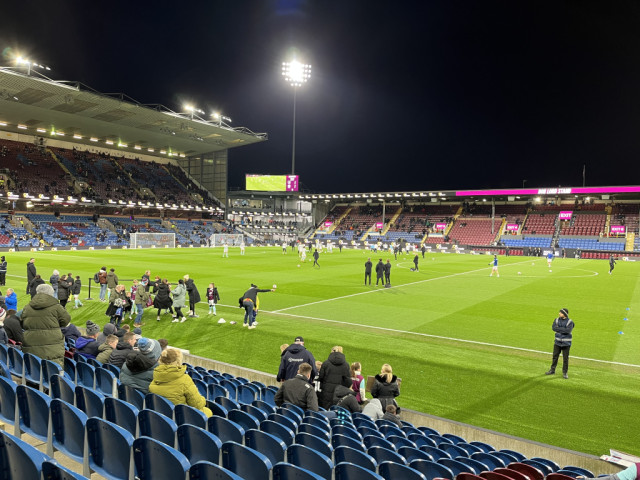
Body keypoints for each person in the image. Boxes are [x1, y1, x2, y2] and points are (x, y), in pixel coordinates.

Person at [149, 348, 212, 417]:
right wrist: (203, 399)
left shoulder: (156, 377)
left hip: (164, 415)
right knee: (209, 412)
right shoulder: (184, 379)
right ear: (178, 362)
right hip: (182, 416)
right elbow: (197, 405)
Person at [21, 284, 70, 367]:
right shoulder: (56, 307)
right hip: (52, 344)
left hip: (31, 343)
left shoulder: (27, 307)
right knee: (53, 370)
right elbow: (66, 320)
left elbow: (22, 322)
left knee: (35, 368)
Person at [545, 308, 574, 379]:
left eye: (560, 313)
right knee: (555, 357)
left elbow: (568, 330)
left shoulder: (570, 322)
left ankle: (565, 372)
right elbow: (554, 328)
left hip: (566, 343)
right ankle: (552, 370)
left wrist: (559, 329)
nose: (559, 314)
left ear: (564, 314)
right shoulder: (556, 320)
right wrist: (563, 329)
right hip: (557, 342)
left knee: (565, 359)